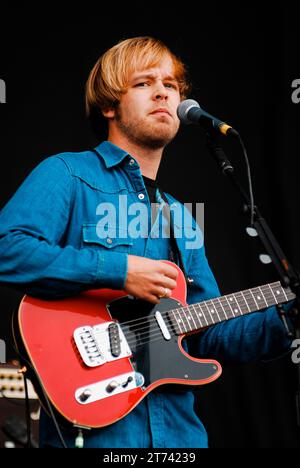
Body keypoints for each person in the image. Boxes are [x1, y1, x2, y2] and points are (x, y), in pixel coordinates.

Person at [0, 36, 293, 448]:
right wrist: (119, 272)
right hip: (99, 435)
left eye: (171, 85)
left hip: (179, 438)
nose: (162, 92)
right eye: (143, 83)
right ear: (108, 105)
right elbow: (7, 248)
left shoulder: (179, 216)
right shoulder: (67, 174)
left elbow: (206, 332)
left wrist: (286, 318)